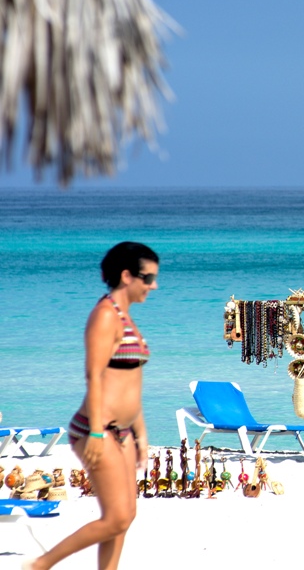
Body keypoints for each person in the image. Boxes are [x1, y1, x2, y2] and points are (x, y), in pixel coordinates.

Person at [28, 242, 159, 570]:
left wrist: (141, 435)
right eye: (148, 278)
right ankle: (41, 564)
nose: (153, 285)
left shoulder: (126, 318)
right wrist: (98, 432)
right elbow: (95, 375)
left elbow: (131, 385)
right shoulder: (105, 315)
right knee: (116, 517)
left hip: (124, 430)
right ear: (126, 276)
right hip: (95, 428)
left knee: (124, 517)